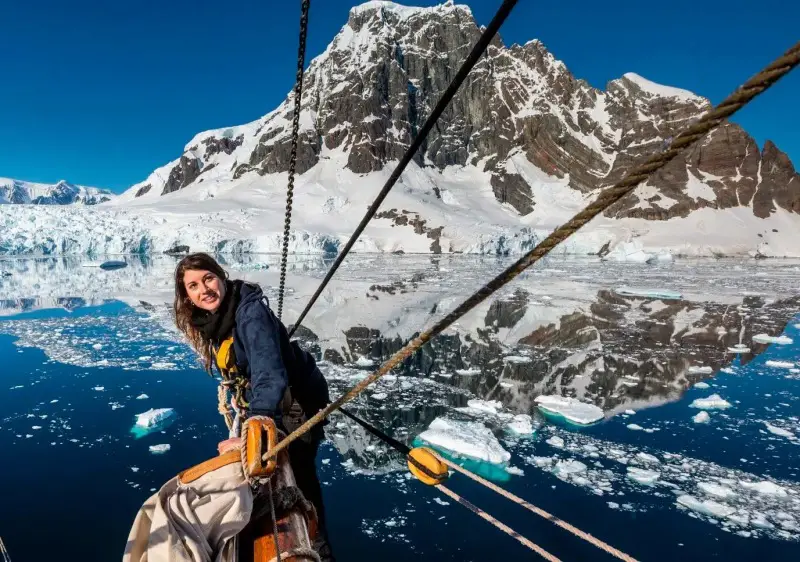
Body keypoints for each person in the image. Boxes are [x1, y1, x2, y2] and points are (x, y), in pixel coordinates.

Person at [172, 252, 334, 561]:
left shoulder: (249, 314)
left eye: (207, 279)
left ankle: (319, 553)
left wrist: (258, 421)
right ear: (187, 296)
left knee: (299, 485)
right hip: (273, 400)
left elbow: (268, 370)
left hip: (294, 406)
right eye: (193, 286)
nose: (203, 289)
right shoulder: (217, 318)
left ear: (221, 277)